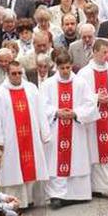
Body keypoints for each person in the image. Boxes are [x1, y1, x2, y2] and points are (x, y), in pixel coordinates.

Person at [0, 61, 51, 208]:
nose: (17, 76)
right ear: (8, 74)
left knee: (32, 168)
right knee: (13, 171)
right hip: (11, 140)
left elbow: (40, 112)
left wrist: (44, 133)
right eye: (14, 73)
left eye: (20, 73)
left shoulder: (31, 89)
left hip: (30, 138)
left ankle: (30, 200)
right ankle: (15, 203)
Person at [40, 50, 99, 207]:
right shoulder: (48, 84)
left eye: (68, 67)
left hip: (75, 129)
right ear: (56, 67)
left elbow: (90, 105)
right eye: (62, 68)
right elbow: (41, 106)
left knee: (76, 159)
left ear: (71, 66)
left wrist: (75, 113)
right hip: (56, 128)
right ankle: (56, 195)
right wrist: (56, 112)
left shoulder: (81, 83)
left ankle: (77, 195)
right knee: (55, 160)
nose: (66, 71)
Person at [77, 38, 108, 196]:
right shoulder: (84, 73)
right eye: (104, 52)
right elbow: (80, 98)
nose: (107, 55)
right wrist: (96, 98)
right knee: (94, 151)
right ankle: (95, 188)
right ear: (95, 52)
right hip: (94, 121)